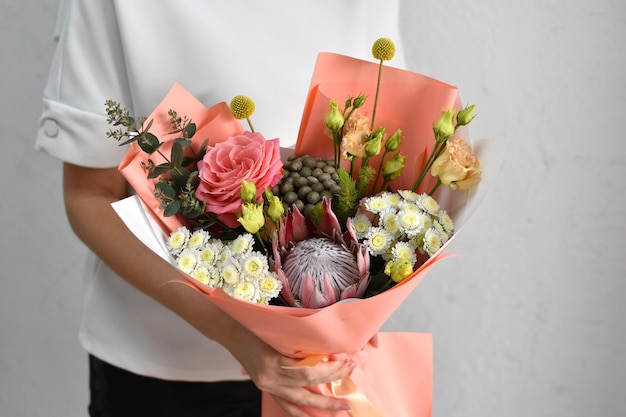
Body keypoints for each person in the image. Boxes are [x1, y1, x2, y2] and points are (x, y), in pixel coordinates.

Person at [35, 1, 407, 416]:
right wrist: (235, 335)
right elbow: (88, 197)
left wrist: (361, 304)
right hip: (167, 372)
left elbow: (384, 155)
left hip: (331, 373)